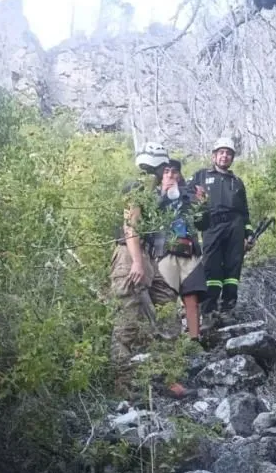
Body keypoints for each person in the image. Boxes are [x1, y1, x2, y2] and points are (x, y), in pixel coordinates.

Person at [109, 141, 189, 397]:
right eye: (163, 166)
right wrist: (136, 262)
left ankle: (169, 377)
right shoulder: (134, 188)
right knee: (128, 322)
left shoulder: (155, 193)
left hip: (151, 258)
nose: (167, 171)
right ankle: (123, 386)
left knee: (168, 312)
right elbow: (130, 227)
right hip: (130, 256)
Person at [190, 137, 254, 326]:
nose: (225, 156)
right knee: (211, 268)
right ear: (214, 156)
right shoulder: (200, 176)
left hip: (235, 226)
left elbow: (245, 212)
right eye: (221, 153)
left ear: (232, 158)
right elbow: (187, 199)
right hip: (212, 226)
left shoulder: (237, 182)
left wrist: (248, 233)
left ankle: (228, 309)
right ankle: (208, 312)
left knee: (233, 270)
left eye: (229, 153)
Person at [154, 158, 207, 341]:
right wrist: (163, 194)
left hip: (189, 251)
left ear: (180, 174)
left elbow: (203, 224)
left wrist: (202, 204)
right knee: (166, 299)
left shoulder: (188, 195)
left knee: (192, 296)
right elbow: (149, 220)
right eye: (167, 171)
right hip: (165, 252)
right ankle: (169, 343)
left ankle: (194, 339)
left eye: (174, 171)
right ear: (161, 175)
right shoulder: (153, 195)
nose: (170, 175)